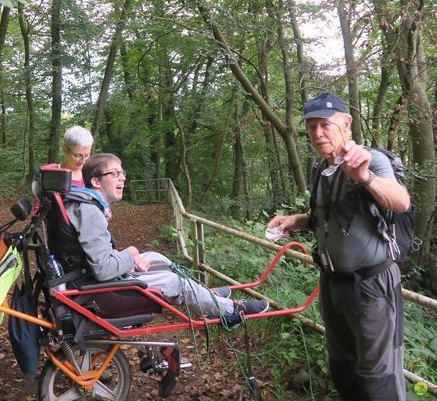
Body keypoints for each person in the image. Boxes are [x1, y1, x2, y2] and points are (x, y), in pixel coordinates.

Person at [267, 93, 410, 400]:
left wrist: (364, 177)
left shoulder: (373, 160)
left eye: (325, 125)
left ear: (346, 123)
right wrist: (295, 220)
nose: (317, 133)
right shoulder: (322, 168)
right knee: (343, 370)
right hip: (333, 285)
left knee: (378, 378)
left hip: (371, 287)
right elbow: (325, 219)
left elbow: (401, 201)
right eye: (311, 127)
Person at [63, 153, 269, 324]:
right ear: (96, 181)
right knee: (175, 282)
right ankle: (230, 309)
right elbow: (103, 270)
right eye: (114, 173)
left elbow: (95, 255)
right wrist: (131, 254)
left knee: (156, 257)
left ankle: (205, 295)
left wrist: (128, 259)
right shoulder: (90, 212)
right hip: (103, 290)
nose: (123, 178)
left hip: (93, 279)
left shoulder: (86, 206)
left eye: (122, 172)